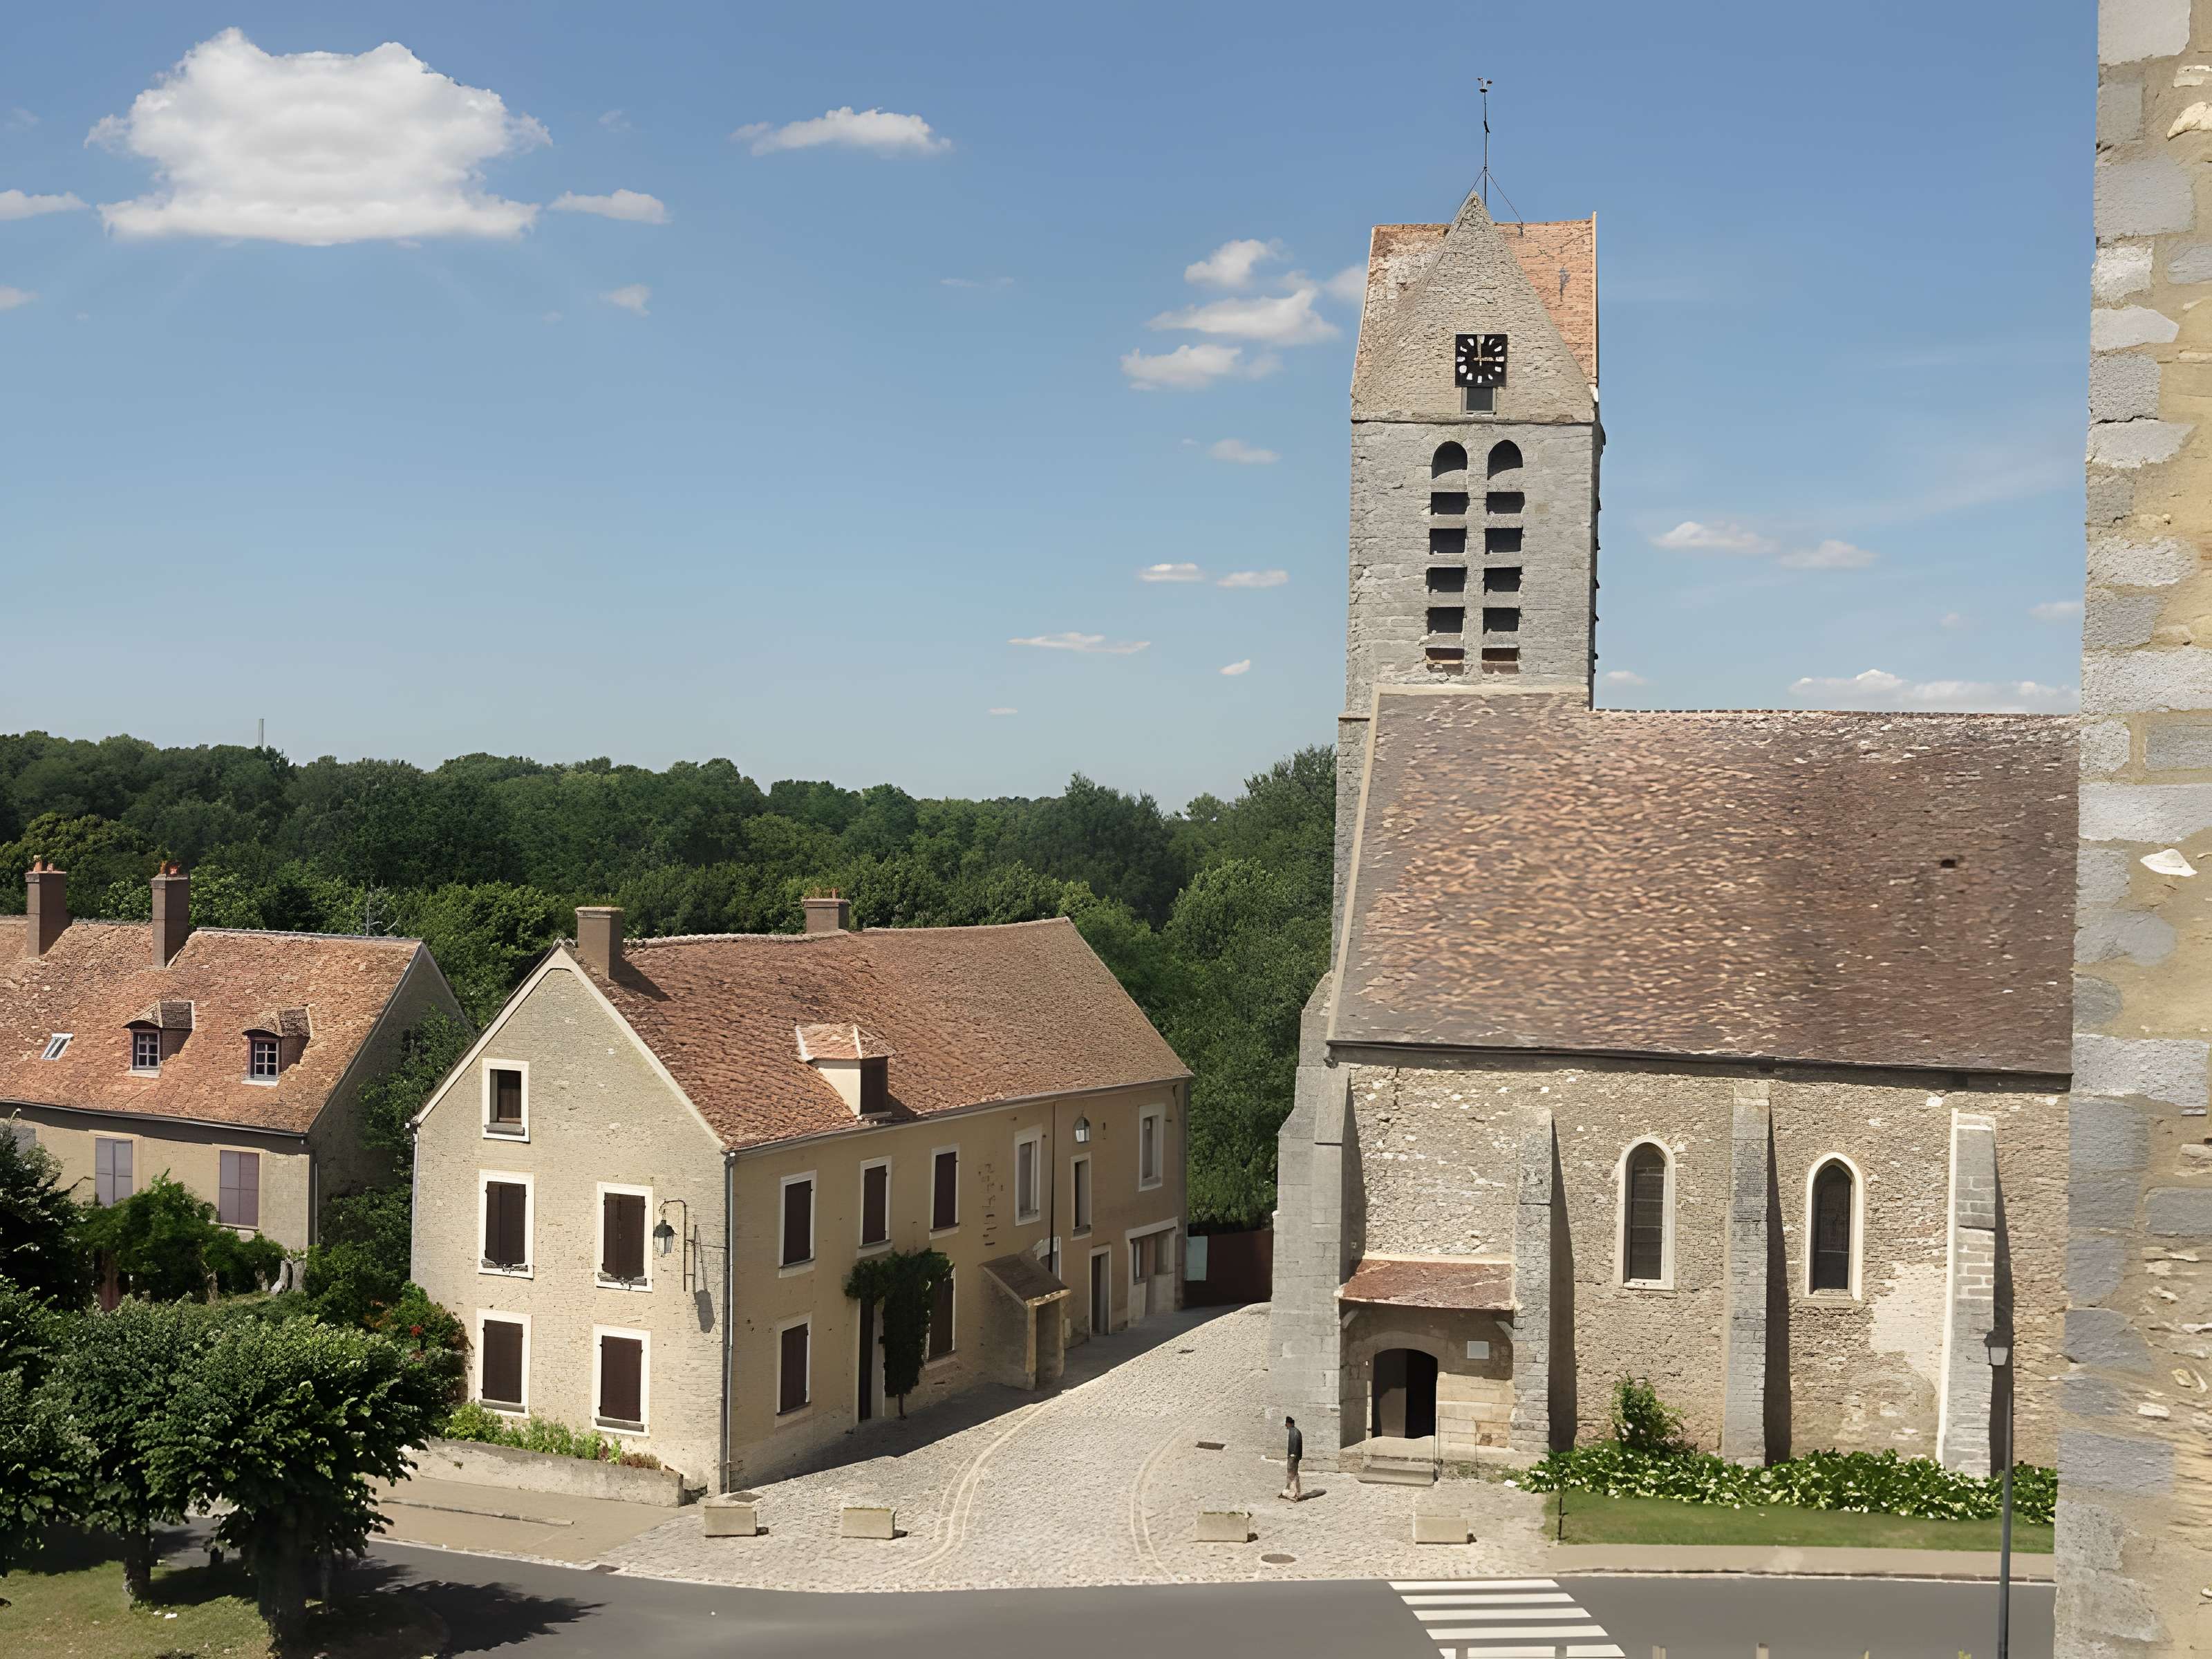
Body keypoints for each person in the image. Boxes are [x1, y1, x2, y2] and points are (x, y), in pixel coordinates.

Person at [1280, 1415, 1303, 1501]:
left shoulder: (1294, 1432)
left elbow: (1296, 1443)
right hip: (1294, 1457)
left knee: (1292, 1475)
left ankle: (1293, 1494)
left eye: (1287, 1424)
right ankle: (1295, 1493)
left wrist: (1293, 1454)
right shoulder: (1295, 1431)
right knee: (1293, 1474)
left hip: (1293, 1457)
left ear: (1289, 1424)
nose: (1286, 1425)